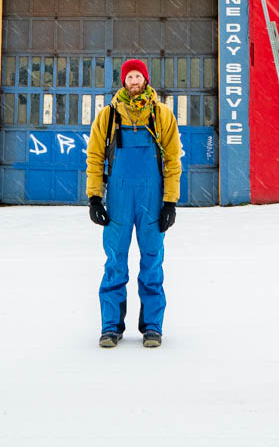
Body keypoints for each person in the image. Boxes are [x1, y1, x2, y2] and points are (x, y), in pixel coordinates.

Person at [85, 57, 182, 348]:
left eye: (138, 76)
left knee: (152, 261)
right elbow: (94, 158)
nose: (134, 81)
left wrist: (170, 202)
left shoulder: (161, 114)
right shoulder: (109, 116)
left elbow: (173, 161)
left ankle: (152, 327)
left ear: (146, 80)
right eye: (130, 77)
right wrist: (94, 197)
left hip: (152, 199)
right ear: (123, 81)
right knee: (115, 262)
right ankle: (110, 327)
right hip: (119, 198)